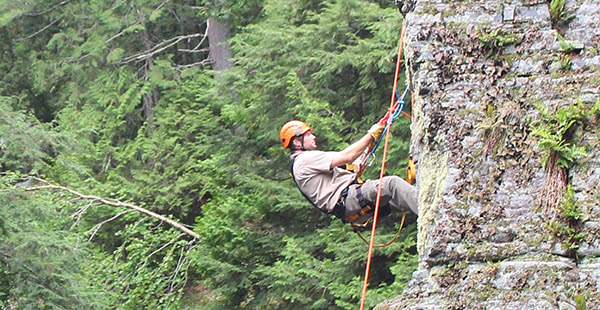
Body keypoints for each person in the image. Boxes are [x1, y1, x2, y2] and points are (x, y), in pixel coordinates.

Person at [280, 120, 418, 227]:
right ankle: (430, 208)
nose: (314, 137)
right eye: (308, 135)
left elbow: (350, 164)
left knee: (402, 198)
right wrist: (371, 135)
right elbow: (348, 156)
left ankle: (425, 204)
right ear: (297, 143)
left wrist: (367, 147)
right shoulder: (305, 160)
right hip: (350, 199)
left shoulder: (302, 164)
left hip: (349, 205)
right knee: (392, 184)